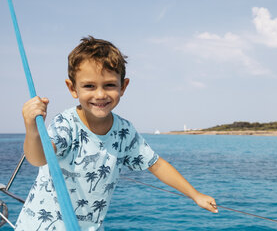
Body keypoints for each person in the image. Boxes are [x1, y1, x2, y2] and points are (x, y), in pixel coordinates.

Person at [15, 36, 217, 230]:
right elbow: (38, 158)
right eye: (89, 86)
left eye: (110, 85)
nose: (100, 94)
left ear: (123, 86)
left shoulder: (125, 131)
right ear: (72, 88)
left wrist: (195, 195)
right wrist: (31, 127)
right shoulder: (66, 124)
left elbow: (156, 164)